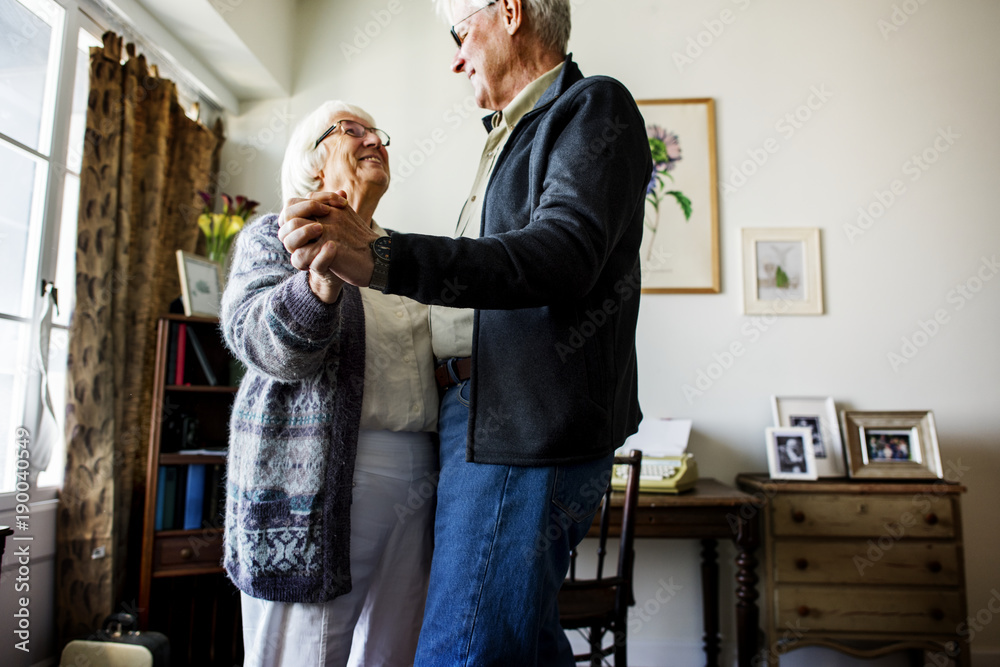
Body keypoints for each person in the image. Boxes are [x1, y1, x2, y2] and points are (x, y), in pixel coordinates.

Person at [278, 0, 652, 663]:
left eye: (459, 33)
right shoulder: (509, 135)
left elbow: (561, 255)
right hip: (475, 423)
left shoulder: (593, 107)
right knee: (510, 640)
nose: (454, 57)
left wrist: (381, 255)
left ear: (509, 11)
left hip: (518, 420)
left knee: (463, 648)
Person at [220, 101, 439, 667]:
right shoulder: (275, 237)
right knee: (303, 656)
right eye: (352, 129)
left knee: (393, 654)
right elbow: (266, 346)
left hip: (418, 482)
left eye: (378, 131)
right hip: (315, 485)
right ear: (311, 163)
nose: (374, 140)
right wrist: (319, 279)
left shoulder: (396, 253)